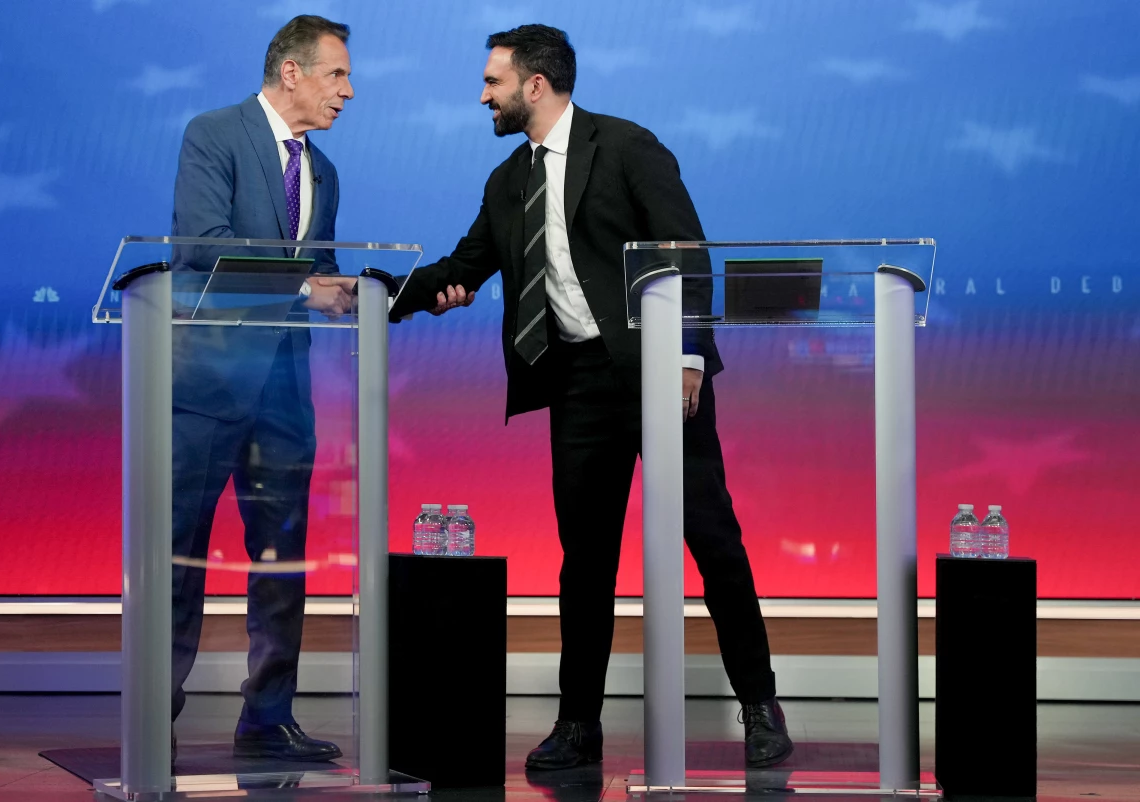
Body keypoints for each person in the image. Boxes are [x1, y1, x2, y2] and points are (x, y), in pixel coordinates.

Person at [391, 25, 794, 770]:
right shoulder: (508, 180)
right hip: (577, 380)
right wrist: (378, 297)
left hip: (661, 375)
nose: (483, 95)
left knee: (712, 538)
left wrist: (689, 360)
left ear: (534, 86)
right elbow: (465, 265)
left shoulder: (628, 147)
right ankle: (579, 724)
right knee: (585, 562)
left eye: (493, 82)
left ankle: (761, 704)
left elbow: (687, 253)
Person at [167, 14, 356, 764]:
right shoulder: (213, 134)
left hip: (285, 392)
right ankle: (155, 713)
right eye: (336, 74)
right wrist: (311, 290)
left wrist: (372, 292)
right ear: (292, 73)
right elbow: (202, 245)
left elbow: (325, 274)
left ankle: (268, 716)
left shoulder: (325, 173)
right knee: (176, 555)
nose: (348, 90)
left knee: (282, 560)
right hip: (204, 385)